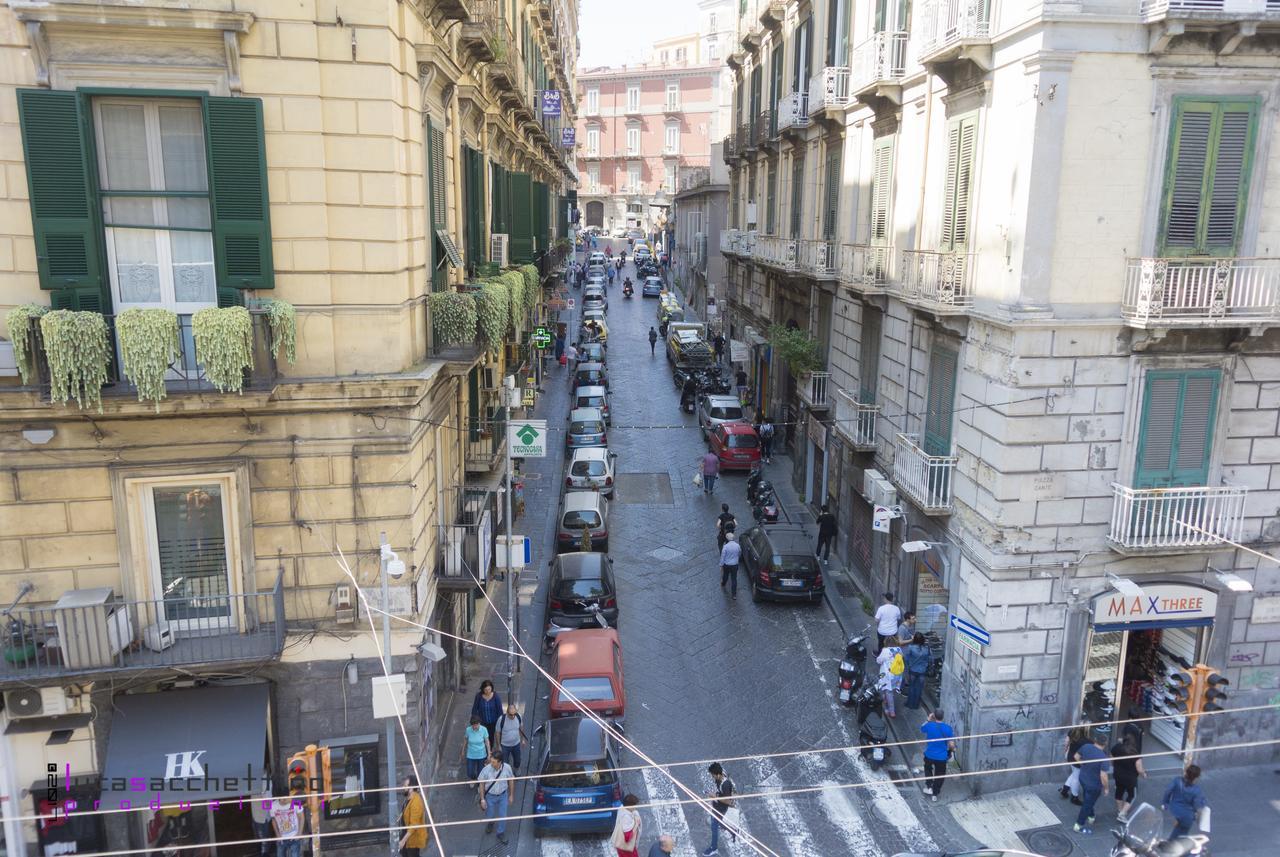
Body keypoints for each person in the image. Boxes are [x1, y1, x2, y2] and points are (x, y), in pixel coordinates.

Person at [1072, 734, 1111, 834]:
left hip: (1083, 779)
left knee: (1088, 798)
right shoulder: (1104, 758)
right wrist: (1106, 788)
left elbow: (1076, 756)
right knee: (1088, 803)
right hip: (1094, 784)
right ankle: (1079, 825)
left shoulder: (1086, 747)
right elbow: (1103, 776)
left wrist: (1083, 764)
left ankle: (1091, 816)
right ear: (1105, 744)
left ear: (1095, 739)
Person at [477, 752, 514, 845]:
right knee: (490, 813)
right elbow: (481, 784)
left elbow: (511, 781)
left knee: (503, 815)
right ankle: (491, 822)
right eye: (491, 761)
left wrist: (511, 795)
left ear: (500, 762)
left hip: (503, 795)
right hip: (490, 796)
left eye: (493, 762)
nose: (491, 763)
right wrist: (482, 799)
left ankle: (500, 832)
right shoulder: (486, 770)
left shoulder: (507, 768)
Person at [1162, 764, 1207, 838]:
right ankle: (1173, 843)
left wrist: (1165, 803)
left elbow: (1168, 791)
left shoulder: (1177, 780)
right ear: (1196, 778)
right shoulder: (1196, 790)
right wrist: (1203, 802)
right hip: (1186, 815)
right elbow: (1197, 806)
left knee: (1177, 830)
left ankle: (1171, 840)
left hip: (1174, 809)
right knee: (1182, 834)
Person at [920, 710, 956, 802]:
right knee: (940, 774)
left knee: (927, 769)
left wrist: (928, 719)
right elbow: (951, 744)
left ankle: (929, 786)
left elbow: (922, 728)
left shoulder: (929, 725)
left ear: (934, 716)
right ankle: (935, 794)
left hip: (929, 754)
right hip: (941, 757)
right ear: (943, 716)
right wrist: (952, 750)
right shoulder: (948, 728)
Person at [702, 762, 735, 857]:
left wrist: (715, 796)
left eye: (713, 775)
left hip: (721, 809)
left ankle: (714, 848)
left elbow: (728, 801)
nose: (712, 777)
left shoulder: (725, 784)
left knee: (714, 826)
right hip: (717, 807)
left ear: (718, 774)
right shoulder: (719, 778)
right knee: (715, 825)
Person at [1110, 736, 1145, 821]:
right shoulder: (1135, 754)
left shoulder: (1116, 747)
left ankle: (1120, 810)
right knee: (1132, 795)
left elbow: (1111, 758)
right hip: (1130, 778)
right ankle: (1122, 814)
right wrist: (1143, 774)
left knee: (1119, 792)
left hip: (1118, 774)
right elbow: (1139, 769)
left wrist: (1115, 765)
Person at [399, 775, 430, 856]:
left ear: (411, 788)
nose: (403, 787)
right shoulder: (409, 797)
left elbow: (414, 825)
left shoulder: (416, 803)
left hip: (412, 839)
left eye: (405, 786)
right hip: (406, 835)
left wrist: (403, 841)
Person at [903, 632, 933, 710]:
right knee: (919, 688)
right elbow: (931, 660)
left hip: (913, 670)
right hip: (922, 671)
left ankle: (910, 704)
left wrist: (909, 665)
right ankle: (916, 704)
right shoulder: (927, 649)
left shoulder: (910, 648)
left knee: (912, 687)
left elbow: (906, 659)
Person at [1060, 726, 1089, 805]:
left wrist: (1065, 750)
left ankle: (1065, 789)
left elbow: (1066, 741)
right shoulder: (1086, 740)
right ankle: (1074, 797)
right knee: (1076, 778)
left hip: (1070, 756)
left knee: (1074, 774)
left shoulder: (1073, 732)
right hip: (1078, 760)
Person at [876, 638, 904, 717]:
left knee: (888, 691)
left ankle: (892, 711)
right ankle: (886, 699)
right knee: (892, 689)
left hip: (887, 675)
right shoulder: (899, 649)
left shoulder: (886, 651)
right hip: (897, 674)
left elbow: (878, 660)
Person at [472, 680, 503, 747]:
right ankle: (483, 751)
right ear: (483, 689)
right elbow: (474, 709)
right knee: (483, 738)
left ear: (491, 688)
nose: (488, 691)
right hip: (482, 722)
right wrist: (473, 721)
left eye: (489, 689)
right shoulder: (478, 696)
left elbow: (500, 710)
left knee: (490, 737)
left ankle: (489, 751)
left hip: (493, 722)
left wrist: (500, 721)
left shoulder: (495, 696)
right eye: (486, 690)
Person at [496, 703, 527, 771]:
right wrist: (499, 745)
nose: (513, 716)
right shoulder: (501, 719)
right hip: (505, 745)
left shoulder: (518, 716)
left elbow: (521, 728)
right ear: (507, 713)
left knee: (517, 760)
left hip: (516, 744)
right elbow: (497, 733)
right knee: (505, 763)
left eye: (514, 714)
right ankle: (507, 773)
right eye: (510, 714)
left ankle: (516, 768)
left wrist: (522, 739)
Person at [463, 716, 490, 781]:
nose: (475, 727)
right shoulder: (468, 730)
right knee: (469, 772)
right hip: (471, 754)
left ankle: (479, 784)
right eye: (473, 725)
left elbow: (487, 742)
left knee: (480, 772)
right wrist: (463, 750)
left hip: (481, 754)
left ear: (479, 723)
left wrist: (489, 753)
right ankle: (473, 778)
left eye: (476, 725)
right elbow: (465, 740)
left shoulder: (484, 729)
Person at [250, 785, 272, 857]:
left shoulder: (264, 780)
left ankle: (264, 852)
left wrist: (269, 812)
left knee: (263, 835)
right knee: (261, 835)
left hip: (261, 814)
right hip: (259, 813)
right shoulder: (256, 779)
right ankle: (263, 851)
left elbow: (267, 798)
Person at [719, 532, 741, 598]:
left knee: (725, 575)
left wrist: (721, 565)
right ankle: (734, 595)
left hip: (727, 564)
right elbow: (739, 552)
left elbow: (722, 556)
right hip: (735, 564)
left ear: (727, 539)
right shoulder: (737, 545)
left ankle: (723, 583)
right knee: (734, 579)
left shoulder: (725, 547)